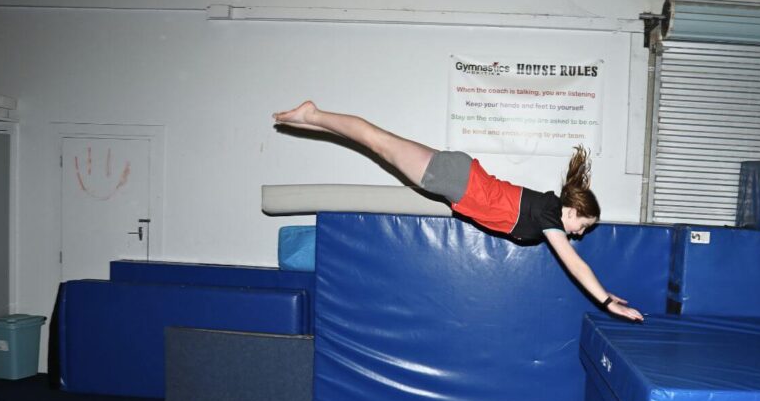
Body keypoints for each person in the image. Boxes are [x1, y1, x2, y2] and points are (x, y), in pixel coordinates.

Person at [273, 101, 644, 322]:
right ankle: (314, 114)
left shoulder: (547, 212)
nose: (580, 233)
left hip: (457, 181)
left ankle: (311, 117)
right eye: (584, 225)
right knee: (378, 142)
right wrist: (607, 300)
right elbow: (575, 264)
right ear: (573, 210)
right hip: (458, 179)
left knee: (379, 145)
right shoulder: (550, 214)